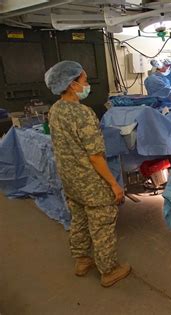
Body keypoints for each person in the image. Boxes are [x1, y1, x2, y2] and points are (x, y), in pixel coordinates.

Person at [45, 61, 131, 287]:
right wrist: (114, 184)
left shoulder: (55, 110)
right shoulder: (82, 113)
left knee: (80, 220)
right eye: (84, 80)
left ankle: (82, 260)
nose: (87, 84)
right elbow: (95, 156)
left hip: (70, 180)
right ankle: (109, 270)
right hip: (90, 182)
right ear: (72, 84)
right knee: (102, 224)